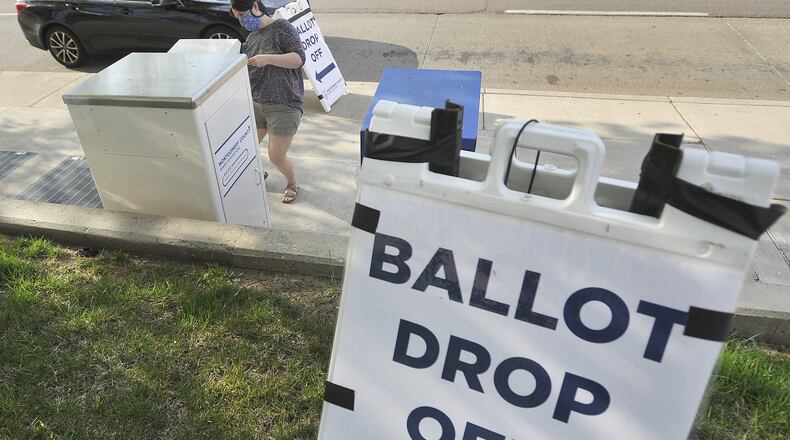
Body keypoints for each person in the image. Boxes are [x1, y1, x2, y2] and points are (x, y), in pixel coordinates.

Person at [231, 0, 306, 204]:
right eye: (237, 16)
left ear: (256, 7)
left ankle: (292, 183)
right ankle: (259, 172)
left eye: (241, 14)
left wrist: (268, 58)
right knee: (246, 147)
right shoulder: (251, 38)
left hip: (284, 103)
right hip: (257, 103)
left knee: (276, 155)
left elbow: (298, 59)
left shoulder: (281, 27)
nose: (240, 19)